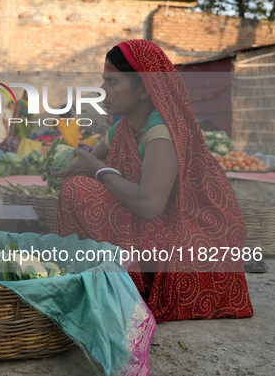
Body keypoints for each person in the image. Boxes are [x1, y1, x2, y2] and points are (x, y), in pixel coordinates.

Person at [52, 39, 253, 322]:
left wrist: (96, 169)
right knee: (79, 189)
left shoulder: (161, 130)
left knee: (83, 191)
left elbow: (149, 204)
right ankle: (104, 279)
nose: (102, 91)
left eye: (111, 82)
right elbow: (87, 169)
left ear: (144, 89)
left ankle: (130, 286)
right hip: (159, 228)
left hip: (193, 239)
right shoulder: (123, 127)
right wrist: (68, 168)